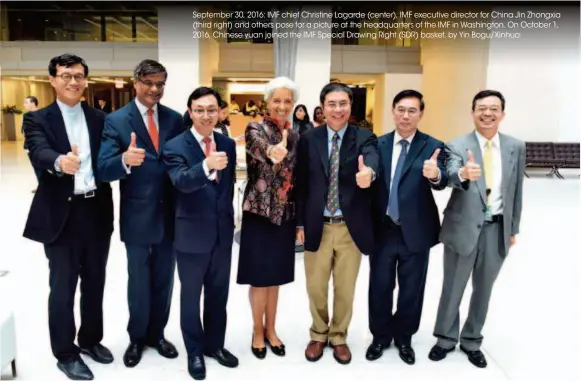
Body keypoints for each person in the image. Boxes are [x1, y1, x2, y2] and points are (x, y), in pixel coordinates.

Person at [22, 53, 114, 380]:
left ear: (85, 80)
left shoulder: (101, 118)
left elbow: (110, 158)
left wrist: (125, 160)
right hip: (61, 213)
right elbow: (38, 150)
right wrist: (60, 161)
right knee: (63, 286)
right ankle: (65, 352)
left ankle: (90, 340)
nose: (72, 81)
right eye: (65, 75)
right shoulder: (37, 119)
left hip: (96, 209)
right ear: (52, 80)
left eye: (78, 75)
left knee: (95, 281)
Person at [429, 90, 525, 368]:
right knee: (453, 286)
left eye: (494, 108)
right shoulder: (457, 145)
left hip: (497, 229)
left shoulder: (515, 147)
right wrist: (462, 174)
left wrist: (513, 228)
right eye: (482, 108)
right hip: (462, 228)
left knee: (484, 289)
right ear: (472, 113)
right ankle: (445, 338)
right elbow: (449, 175)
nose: (488, 113)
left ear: (502, 114)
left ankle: (471, 340)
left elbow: (517, 189)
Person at [98, 59, 183, 368]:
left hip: (171, 215)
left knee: (164, 279)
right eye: (148, 82)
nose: (154, 89)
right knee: (138, 280)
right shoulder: (117, 121)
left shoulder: (175, 119)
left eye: (160, 83)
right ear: (135, 83)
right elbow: (104, 169)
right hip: (137, 215)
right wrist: (124, 159)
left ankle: (157, 334)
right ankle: (136, 337)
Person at [295, 82, 379, 365]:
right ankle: (319, 333)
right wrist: (299, 224)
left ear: (350, 106)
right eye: (332, 104)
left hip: (349, 227)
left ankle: (339, 336)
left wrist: (370, 172)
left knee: (345, 287)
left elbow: (372, 160)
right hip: (317, 222)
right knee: (315, 286)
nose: (338, 109)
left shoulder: (365, 137)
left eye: (343, 103)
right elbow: (301, 185)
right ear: (322, 107)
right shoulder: (308, 139)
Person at [366, 90, 448, 365]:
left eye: (412, 110)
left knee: (412, 289)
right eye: (401, 109)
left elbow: (444, 177)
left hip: (416, 230)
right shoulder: (379, 144)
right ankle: (379, 337)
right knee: (379, 286)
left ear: (421, 114)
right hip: (383, 229)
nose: (405, 115)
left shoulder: (433, 145)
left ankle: (404, 338)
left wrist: (435, 175)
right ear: (392, 110)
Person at [163, 87, 238, 380]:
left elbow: (227, 188)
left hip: (222, 233)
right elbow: (181, 181)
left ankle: (214, 346)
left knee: (219, 294)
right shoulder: (175, 146)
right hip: (191, 234)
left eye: (212, 109)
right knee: (191, 297)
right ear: (191, 111)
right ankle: (194, 351)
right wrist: (206, 165)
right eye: (200, 110)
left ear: (220, 111)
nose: (207, 115)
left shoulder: (227, 144)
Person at [236, 77, 300, 359]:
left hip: (284, 215)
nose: (283, 106)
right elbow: (260, 147)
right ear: (267, 102)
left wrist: (299, 223)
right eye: (277, 100)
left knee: (275, 277)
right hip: (259, 213)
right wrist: (275, 151)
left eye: (287, 101)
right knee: (259, 278)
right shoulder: (254, 128)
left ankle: (272, 329)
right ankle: (257, 331)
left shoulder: (295, 134)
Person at [22, 96, 41, 191]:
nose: (24, 104)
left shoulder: (43, 115)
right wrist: (26, 146)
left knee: (44, 167)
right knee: (36, 166)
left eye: (26, 102)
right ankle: (41, 186)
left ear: (33, 103)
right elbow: (25, 132)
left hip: (41, 146)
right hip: (30, 146)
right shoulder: (26, 116)